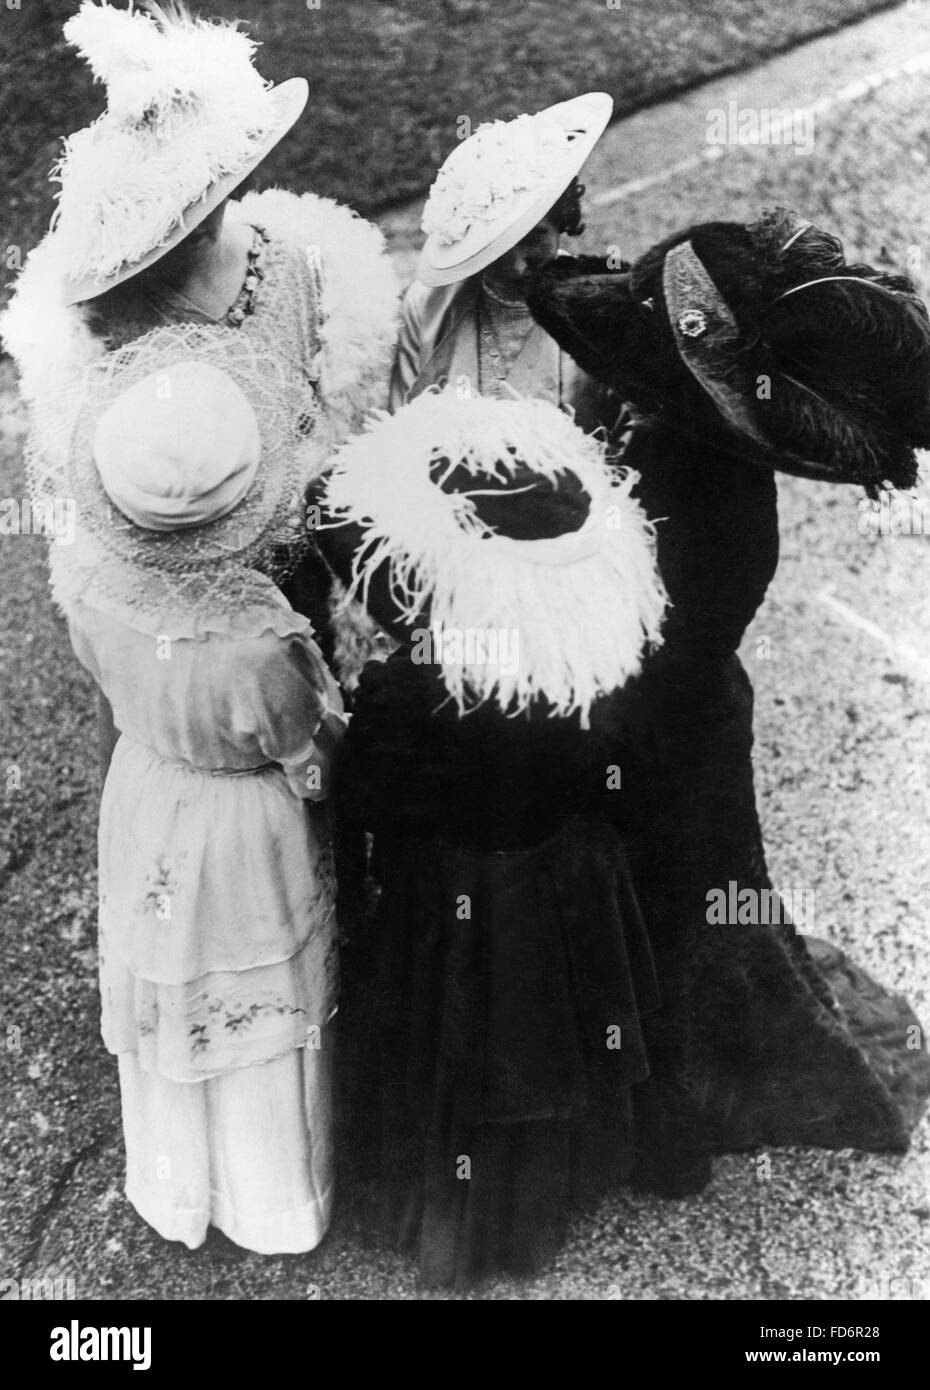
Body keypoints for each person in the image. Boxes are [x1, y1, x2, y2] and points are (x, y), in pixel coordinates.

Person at [1, 0, 397, 1252]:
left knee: (172, 995)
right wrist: (332, 747)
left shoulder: (94, 592)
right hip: (253, 819)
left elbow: (108, 615)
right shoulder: (266, 648)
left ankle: (174, 1183)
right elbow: (305, 732)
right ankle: (279, 1193)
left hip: (149, 797)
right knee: (268, 994)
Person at [526, 209, 930, 1189]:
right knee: (656, 915)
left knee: (683, 926)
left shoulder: (719, 524)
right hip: (656, 710)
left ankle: (675, 1126)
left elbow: (655, 647)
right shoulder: (663, 434)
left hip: (668, 729)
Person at [318, 390, 668, 1287]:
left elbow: (363, 800)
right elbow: (619, 781)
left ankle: (457, 1211)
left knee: (457, 1049)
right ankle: (555, 1184)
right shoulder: (597, 666)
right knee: (547, 1038)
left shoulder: (416, 689)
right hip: (564, 884)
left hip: (449, 899)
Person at [390, 93, 624, 436]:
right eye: (495, 249)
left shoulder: (599, 312)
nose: (516, 267)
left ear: (562, 219)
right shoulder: (426, 306)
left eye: (532, 239)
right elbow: (399, 431)